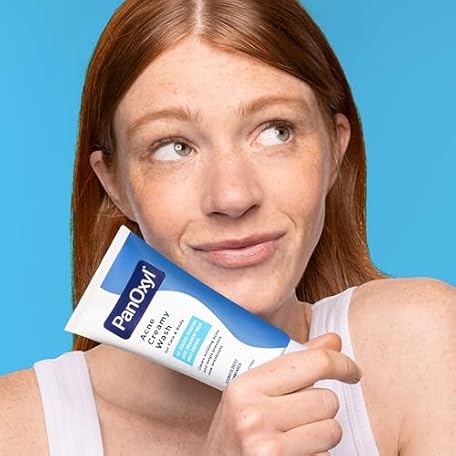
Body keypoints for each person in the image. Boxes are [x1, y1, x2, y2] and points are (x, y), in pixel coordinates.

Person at [1, 0, 455, 454]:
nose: (233, 197)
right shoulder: (16, 429)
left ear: (335, 148)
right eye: (174, 147)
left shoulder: (419, 347)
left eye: (276, 132)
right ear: (114, 184)